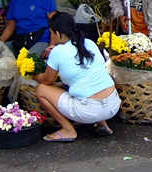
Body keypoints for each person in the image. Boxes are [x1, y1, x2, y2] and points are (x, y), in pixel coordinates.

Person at [33, 12, 121, 142]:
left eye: (51, 33)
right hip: (113, 106)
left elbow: (47, 80)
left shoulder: (58, 51)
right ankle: (102, 124)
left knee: (41, 90)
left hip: (88, 111)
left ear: (58, 34)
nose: (51, 36)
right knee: (90, 81)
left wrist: (34, 75)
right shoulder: (89, 43)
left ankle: (68, 130)